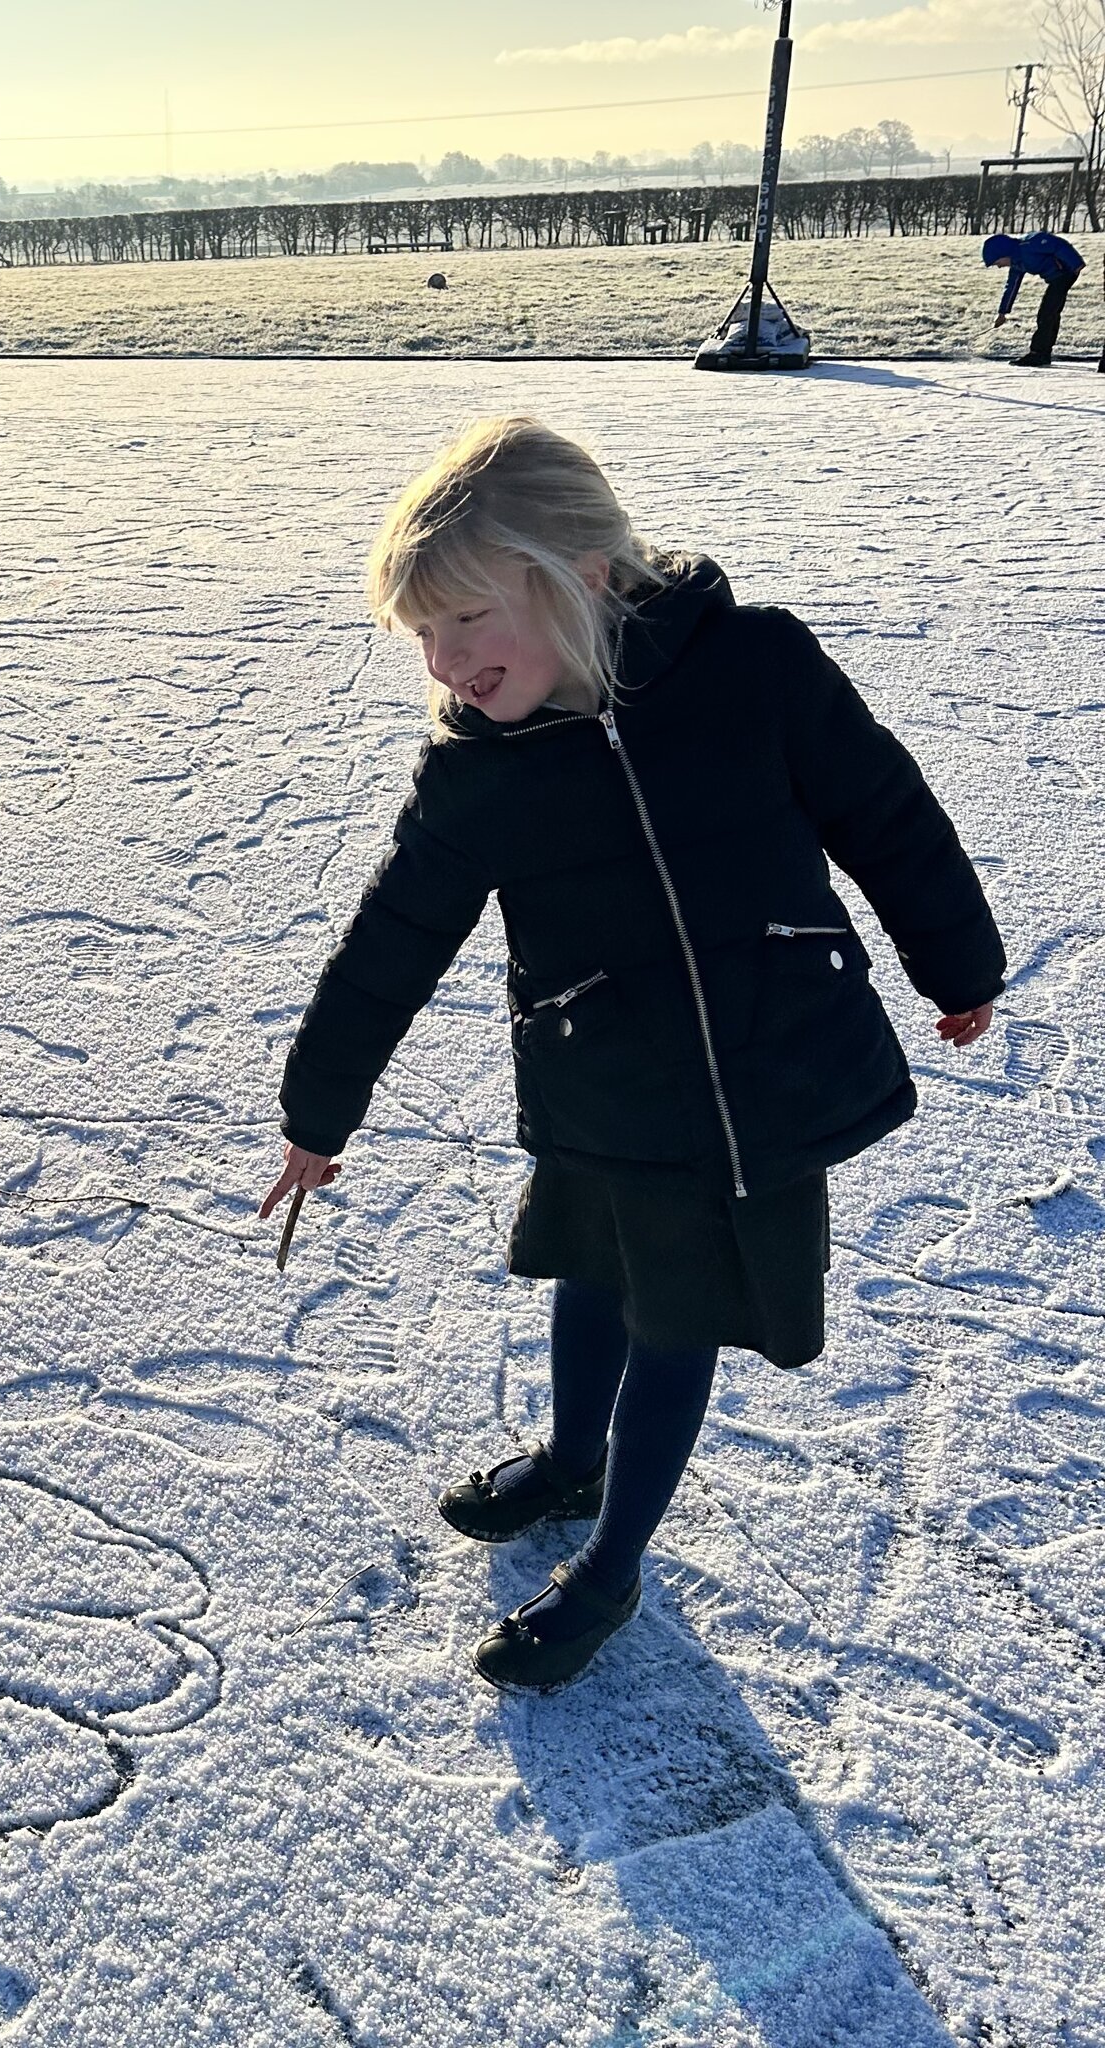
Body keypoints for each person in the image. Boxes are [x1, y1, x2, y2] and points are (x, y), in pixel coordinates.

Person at [259, 418, 1005, 1694]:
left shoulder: (753, 667)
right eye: (422, 635)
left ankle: (610, 1567)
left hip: (754, 1077)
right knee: (590, 1268)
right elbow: (390, 938)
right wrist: (316, 1108)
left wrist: (958, 962)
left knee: (676, 1318)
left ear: (584, 575)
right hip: (595, 1072)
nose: (443, 662)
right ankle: (568, 1454)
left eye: (468, 621)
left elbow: (879, 803)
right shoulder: (476, 771)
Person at [982, 229, 1092, 368]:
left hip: (1067, 273)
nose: (998, 266)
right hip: (1056, 279)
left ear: (1003, 253)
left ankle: (1038, 354)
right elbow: (1011, 287)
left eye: (997, 262)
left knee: (1047, 313)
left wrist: (1076, 265)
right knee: (1050, 313)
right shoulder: (1017, 263)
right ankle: (1043, 353)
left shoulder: (1030, 244)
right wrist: (1002, 313)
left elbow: (1058, 245)